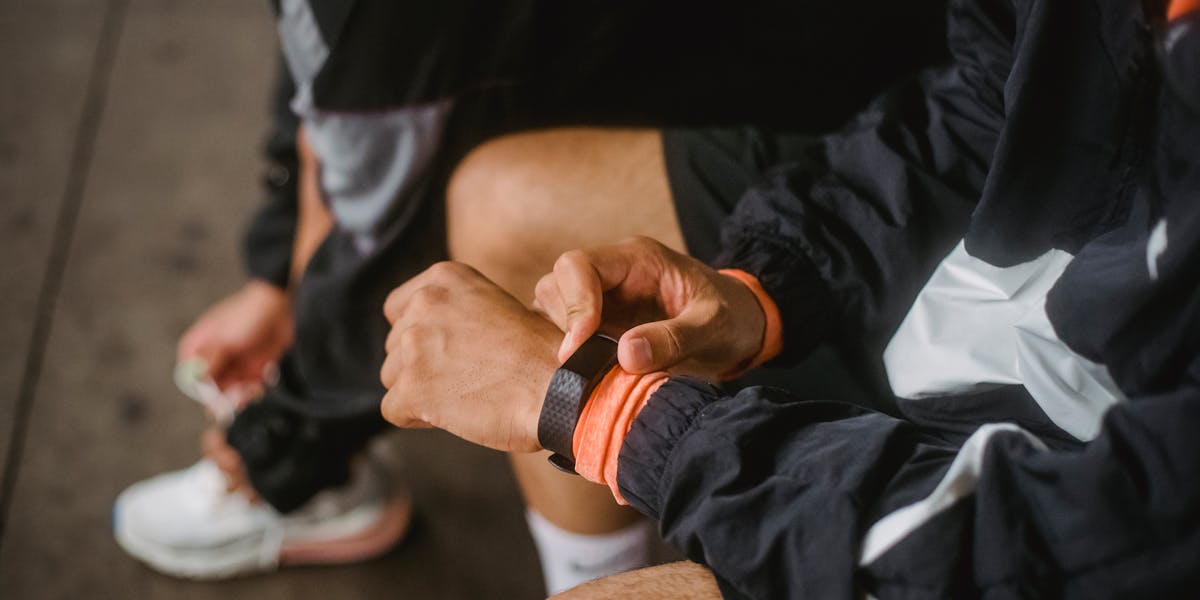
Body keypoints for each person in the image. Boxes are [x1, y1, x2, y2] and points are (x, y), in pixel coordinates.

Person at [113, 0, 950, 588]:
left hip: (845, 102)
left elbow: (1022, 540)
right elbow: (317, 65)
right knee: (512, 213)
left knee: (496, 209)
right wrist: (275, 276)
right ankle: (595, 562)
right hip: (873, 140)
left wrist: (284, 441)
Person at [379, 0, 1200, 596]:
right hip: (1009, 325)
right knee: (504, 205)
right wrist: (763, 289)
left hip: (1081, 501)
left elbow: (1067, 544)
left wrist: (602, 413)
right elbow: (997, 90)